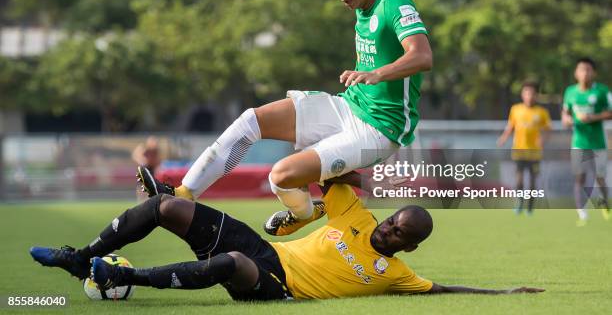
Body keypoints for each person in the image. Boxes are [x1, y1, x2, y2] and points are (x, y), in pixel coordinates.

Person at [136, 0, 434, 237]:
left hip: (379, 129)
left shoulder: (394, 1)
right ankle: (183, 193)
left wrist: (378, 74)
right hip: (348, 105)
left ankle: (304, 212)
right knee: (250, 121)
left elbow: (422, 56)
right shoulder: (361, 8)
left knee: (280, 177)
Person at [30, 179, 543, 300]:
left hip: (276, 284)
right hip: (267, 248)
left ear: (409, 247)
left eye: (399, 234)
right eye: (391, 221)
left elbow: (444, 290)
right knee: (168, 206)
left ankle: (124, 277)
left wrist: (502, 295)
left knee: (229, 262)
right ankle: (82, 259)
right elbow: (333, 170)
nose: (388, 230)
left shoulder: (398, 275)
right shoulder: (355, 214)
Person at [561, 58, 612, 226]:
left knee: (600, 178)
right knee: (579, 178)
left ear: (594, 73)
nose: (585, 73)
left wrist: (592, 117)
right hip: (579, 142)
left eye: (588, 70)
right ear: (576, 73)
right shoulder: (570, 92)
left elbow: (610, 112)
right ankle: (581, 213)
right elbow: (565, 113)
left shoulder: (602, 91)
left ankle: (605, 205)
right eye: (581, 70)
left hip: (598, 142)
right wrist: (566, 120)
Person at [497, 82, 551, 215]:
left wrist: (542, 140)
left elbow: (548, 130)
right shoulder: (516, 109)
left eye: (532, 93)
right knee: (519, 179)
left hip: (534, 153)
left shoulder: (542, 112)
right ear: (522, 94)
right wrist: (503, 138)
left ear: (536, 95)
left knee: (533, 181)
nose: (529, 96)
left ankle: (530, 207)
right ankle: (519, 202)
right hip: (519, 151)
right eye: (527, 93)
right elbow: (510, 126)